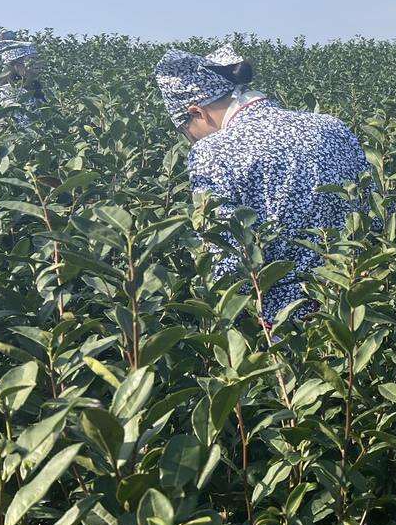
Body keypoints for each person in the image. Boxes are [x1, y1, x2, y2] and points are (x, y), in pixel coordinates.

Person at [154, 44, 371, 327]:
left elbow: (225, 260)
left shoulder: (212, 151)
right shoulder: (332, 126)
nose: (192, 140)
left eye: (187, 131)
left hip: (277, 324)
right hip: (355, 309)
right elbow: (373, 213)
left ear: (198, 112)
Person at [0, 30, 46, 128]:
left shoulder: (37, 89)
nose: (36, 64)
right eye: (31, 60)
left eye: (37, 59)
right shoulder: (7, 93)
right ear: (16, 64)